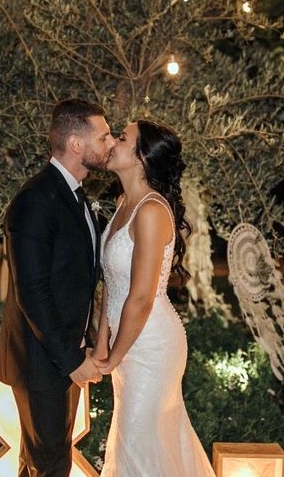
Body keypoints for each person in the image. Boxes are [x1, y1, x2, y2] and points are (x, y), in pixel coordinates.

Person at [0, 98, 116, 476]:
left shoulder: (75, 196)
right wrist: (72, 360)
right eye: (104, 136)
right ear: (77, 144)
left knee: (41, 463)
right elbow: (33, 292)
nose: (110, 143)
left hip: (60, 359)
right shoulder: (36, 199)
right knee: (50, 466)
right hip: (40, 363)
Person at [93, 120, 213, 476]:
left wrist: (114, 355)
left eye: (122, 138)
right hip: (126, 340)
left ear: (142, 157)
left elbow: (141, 297)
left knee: (138, 443)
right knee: (139, 442)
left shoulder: (150, 211)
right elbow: (112, 284)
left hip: (150, 345)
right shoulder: (122, 203)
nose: (113, 142)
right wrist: (102, 341)